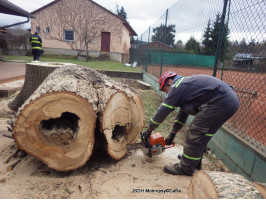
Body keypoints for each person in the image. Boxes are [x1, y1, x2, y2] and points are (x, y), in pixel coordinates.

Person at [142, 71, 239, 176]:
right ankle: (194, 162)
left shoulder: (177, 85)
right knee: (203, 134)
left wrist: (149, 130)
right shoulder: (185, 88)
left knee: (194, 132)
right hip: (229, 101)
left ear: (170, 81)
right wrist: (172, 134)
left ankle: (185, 168)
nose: (166, 94)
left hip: (221, 100)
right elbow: (182, 114)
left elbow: (163, 110)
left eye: (164, 90)